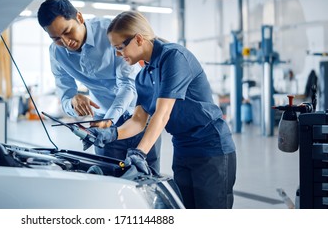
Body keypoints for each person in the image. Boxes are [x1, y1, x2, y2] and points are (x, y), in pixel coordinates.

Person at [89, 11, 236, 209]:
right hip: (183, 148)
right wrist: (111, 133)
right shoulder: (142, 77)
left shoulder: (173, 57)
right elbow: (138, 120)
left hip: (211, 147)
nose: (117, 54)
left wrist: (139, 152)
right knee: (185, 210)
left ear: (138, 39)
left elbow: (162, 113)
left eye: (119, 48)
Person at [37, 0, 161, 172]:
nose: (65, 42)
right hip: (102, 123)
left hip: (139, 117)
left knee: (149, 179)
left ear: (79, 18)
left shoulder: (111, 33)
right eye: (56, 38)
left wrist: (109, 121)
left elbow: (127, 85)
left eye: (67, 32)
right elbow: (65, 96)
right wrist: (73, 101)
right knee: (108, 179)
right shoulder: (57, 53)